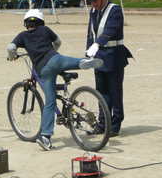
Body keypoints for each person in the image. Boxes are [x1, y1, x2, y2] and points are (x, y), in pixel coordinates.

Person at [7, 9, 104, 151]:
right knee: (69, 61)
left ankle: (45, 137)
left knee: (50, 102)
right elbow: (58, 41)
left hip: (43, 69)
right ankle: (84, 61)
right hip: (56, 59)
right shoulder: (45, 30)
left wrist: (12, 57)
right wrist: (51, 50)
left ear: (26, 24)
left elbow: (10, 47)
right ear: (41, 22)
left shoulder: (23, 36)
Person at [83, 0, 133, 137]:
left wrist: (97, 44)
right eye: (91, 1)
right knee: (102, 93)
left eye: (96, 0)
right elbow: (91, 33)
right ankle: (103, 124)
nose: (93, 4)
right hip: (99, 57)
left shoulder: (115, 10)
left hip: (113, 56)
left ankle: (115, 125)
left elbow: (110, 30)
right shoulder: (93, 11)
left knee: (115, 93)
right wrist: (88, 54)